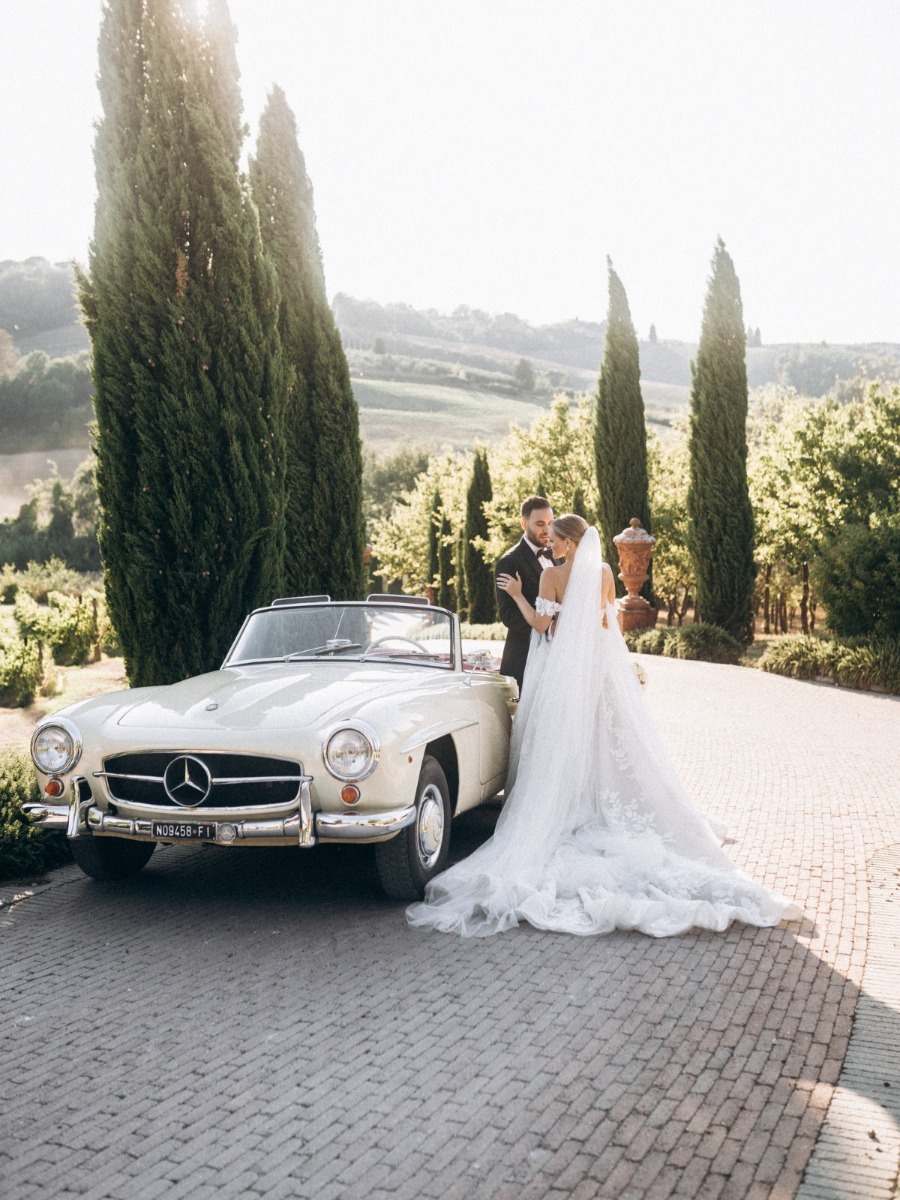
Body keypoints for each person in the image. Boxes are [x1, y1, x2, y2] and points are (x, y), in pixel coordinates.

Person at [408, 514, 801, 938]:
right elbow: (607, 622)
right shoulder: (605, 572)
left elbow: (541, 627)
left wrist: (521, 596)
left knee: (561, 740)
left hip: (561, 672)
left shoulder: (551, 577)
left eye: (556, 540)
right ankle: (600, 802)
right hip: (599, 669)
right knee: (605, 738)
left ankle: (571, 803)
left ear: (570, 543)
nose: (552, 546)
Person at [495, 495, 554, 693]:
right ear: (523, 523)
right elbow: (508, 615)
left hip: (556, 657)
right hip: (524, 657)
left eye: (550, 523)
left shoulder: (559, 555)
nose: (546, 530)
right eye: (539, 524)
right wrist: (545, 632)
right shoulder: (509, 562)